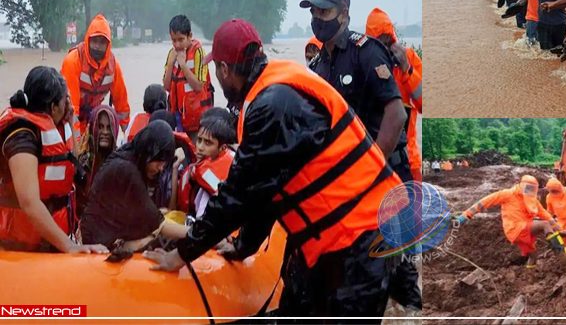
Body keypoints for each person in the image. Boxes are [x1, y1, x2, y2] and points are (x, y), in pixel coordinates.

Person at [143, 18, 404, 318]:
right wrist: (244, 247)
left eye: (217, 69)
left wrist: (183, 253)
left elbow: (238, 195)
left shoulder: (272, 106)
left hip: (361, 239)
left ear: (225, 70)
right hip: (332, 237)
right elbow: (266, 191)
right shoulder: (279, 85)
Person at [304, 0, 410, 182]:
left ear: (343, 14)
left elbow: (397, 114)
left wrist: (372, 168)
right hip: (347, 176)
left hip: (386, 170)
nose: (317, 19)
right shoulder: (316, 67)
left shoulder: (367, 51)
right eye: (313, 12)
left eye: (324, 12)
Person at [0, 66, 107, 254]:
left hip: (51, 241)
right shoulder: (22, 136)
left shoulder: (58, 125)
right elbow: (29, 202)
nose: (68, 104)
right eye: (65, 100)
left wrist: (71, 119)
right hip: (19, 247)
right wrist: (70, 246)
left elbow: (73, 164)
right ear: (53, 107)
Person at [80, 120, 188, 253]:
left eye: (164, 164)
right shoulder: (127, 170)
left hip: (103, 231)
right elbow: (159, 224)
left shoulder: (130, 154)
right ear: (148, 152)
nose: (161, 168)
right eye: (158, 162)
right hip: (99, 243)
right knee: (160, 238)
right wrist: (198, 235)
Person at [456, 175, 566, 268]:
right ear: (521, 185)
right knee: (544, 225)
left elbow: (545, 214)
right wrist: (465, 215)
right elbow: (485, 202)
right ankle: (562, 254)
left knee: (534, 255)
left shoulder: (533, 200)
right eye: (528, 188)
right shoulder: (507, 194)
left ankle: (530, 275)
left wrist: (558, 228)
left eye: (532, 189)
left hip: (524, 230)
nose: (530, 191)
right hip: (514, 228)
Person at [365, 8, 423, 183]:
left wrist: (407, 70)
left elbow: (424, 104)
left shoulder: (409, 58)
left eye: (387, 42)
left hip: (408, 160)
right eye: (379, 44)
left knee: (412, 209)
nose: (384, 49)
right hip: (374, 159)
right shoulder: (363, 63)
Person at [60, 14, 130, 142]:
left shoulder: (113, 66)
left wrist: (129, 138)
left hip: (94, 121)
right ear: (88, 40)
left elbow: (122, 107)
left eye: (102, 42)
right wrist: (77, 144)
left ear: (108, 45)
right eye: (94, 41)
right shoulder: (73, 61)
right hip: (69, 123)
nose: (97, 46)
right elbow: (71, 110)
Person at [176, 108, 236, 219]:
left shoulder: (211, 179)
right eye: (199, 140)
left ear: (222, 148)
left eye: (208, 143)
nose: (200, 147)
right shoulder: (195, 169)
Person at [163, 15, 214, 140]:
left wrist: (183, 65)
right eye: (174, 40)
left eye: (181, 39)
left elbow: (198, 86)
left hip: (197, 121)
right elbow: (166, 86)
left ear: (190, 36)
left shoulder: (198, 52)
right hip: (178, 118)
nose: (177, 44)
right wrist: (170, 64)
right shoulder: (171, 53)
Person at [75, 104, 120, 218]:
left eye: (109, 127)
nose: (105, 132)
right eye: (100, 126)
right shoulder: (81, 162)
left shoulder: (120, 164)